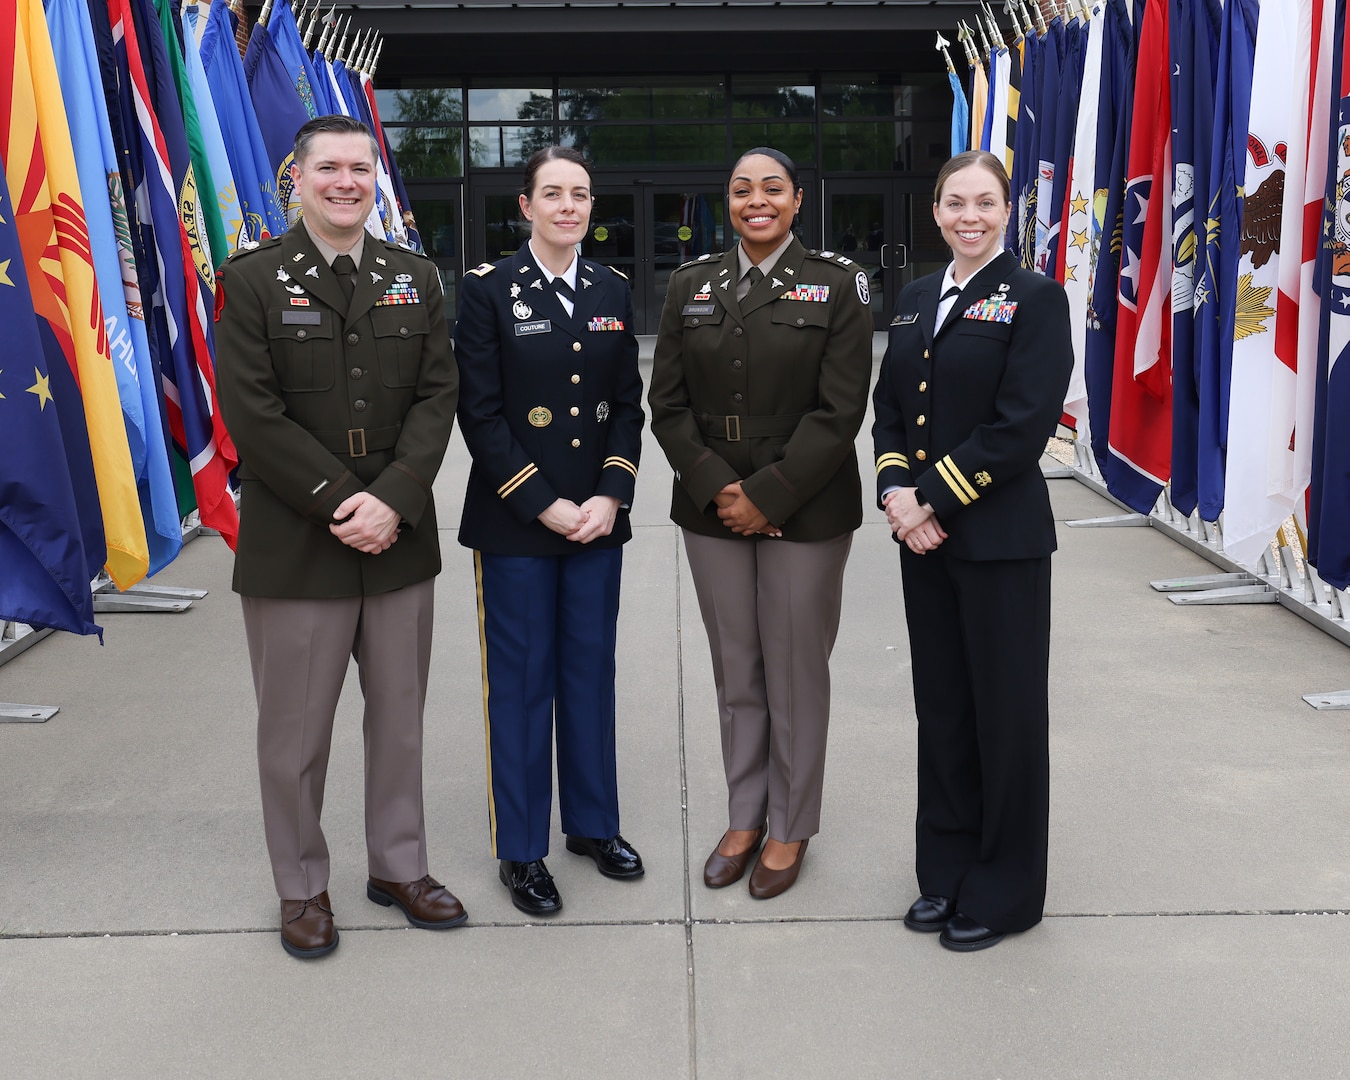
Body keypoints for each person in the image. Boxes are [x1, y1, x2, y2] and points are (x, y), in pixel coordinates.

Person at [215, 115, 462, 959]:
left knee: (399, 721)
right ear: (298, 179)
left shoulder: (414, 276)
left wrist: (393, 498)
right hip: (297, 544)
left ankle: (399, 866)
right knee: (294, 736)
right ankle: (301, 886)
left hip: (398, 539)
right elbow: (253, 411)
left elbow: (438, 396)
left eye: (361, 167)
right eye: (329, 168)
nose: (347, 182)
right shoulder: (250, 281)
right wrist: (339, 500)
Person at [648, 147, 873, 899]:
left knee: (795, 671)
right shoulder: (690, 284)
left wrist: (768, 495)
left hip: (807, 511)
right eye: (741, 188)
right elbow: (668, 407)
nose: (756, 201)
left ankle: (789, 825)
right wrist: (721, 489)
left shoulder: (838, 284)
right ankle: (745, 815)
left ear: (797, 200)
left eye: (771, 188)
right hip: (712, 511)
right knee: (736, 671)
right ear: (729, 201)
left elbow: (841, 411)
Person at [872, 149, 1072, 952]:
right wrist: (894, 495)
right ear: (936, 210)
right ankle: (947, 871)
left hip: (1000, 543)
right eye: (956, 203)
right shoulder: (918, 297)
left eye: (985, 203)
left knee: (1007, 717)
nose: (970, 217)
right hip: (923, 542)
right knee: (945, 711)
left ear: (1005, 211)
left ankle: (1006, 889)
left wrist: (930, 498)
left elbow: (1022, 424)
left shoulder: (1035, 298)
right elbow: (890, 411)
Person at [454, 146, 645, 917]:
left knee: (589, 677)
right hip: (516, 525)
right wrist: (541, 503)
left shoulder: (612, 288)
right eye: (554, 194)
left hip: (597, 522)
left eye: (582, 194)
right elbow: (481, 411)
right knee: (523, 688)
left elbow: (628, 404)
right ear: (526, 206)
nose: (570, 206)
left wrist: (611, 496)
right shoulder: (487, 291)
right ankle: (523, 849)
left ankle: (594, 827)